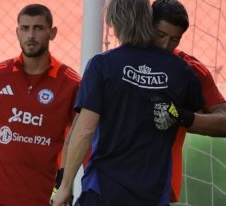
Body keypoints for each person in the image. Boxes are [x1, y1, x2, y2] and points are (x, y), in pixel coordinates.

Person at [51, 0, 204, 205]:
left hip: (103, 190)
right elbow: (197, 114)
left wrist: (65, 186)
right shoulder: (181, 70)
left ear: (114, 22)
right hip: (153, 194)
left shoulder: (102, 65)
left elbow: (84, 130)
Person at [0, 4, 80, 206]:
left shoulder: (71, 83)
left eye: (38, 28)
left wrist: (67, 189)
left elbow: (84, 139)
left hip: (45, 198)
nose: (31, 35)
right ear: (17, 32)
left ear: (52, 33)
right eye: (25, 28)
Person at [152, 0, 226, 202]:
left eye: (174, 39)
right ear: (147, 26)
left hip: (159, 184)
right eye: (160, 35)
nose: (166, 45)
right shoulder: (118, 62)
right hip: (112, 178)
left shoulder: (189, 69)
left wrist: (179, 116)